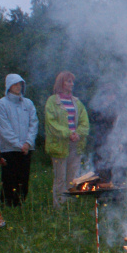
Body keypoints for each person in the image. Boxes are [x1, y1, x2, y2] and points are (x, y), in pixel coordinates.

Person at [45, 72, 89, 209]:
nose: (72, 84)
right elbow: (51, 123)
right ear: (61, 83)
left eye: (72, 81)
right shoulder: (52, 101)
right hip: (59, 145)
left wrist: (78, 134)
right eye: (68, 81)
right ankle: (59, 206)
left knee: (73, 177)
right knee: (60, 177)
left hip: (75, 144)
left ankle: (71, 204)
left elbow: (84, 122)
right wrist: (67, 133)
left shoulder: (77, 102)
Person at [0, 73, 37, 207]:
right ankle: (7, 205)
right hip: (9, 149)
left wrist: (28, 143)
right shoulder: (2, 104)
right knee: (9, 178)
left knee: (23, 178)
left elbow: (34, 123)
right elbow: (4, 128)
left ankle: (20, 204)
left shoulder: (28, 103)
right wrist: (18, 144)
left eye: (20, 84)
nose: (18, 87)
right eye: (15, 84)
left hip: (26, 148)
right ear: (9, 86)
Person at [88, 82, 123, 184]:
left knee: (116, 171)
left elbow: (121, 127)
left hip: (115, 145)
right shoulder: (99, 107)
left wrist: (120, 142)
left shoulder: (118, 108)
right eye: (108, 93)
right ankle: (101, 197)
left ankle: (115, 197)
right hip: (100, 144)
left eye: (112, 93)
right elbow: (93, 119)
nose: (110, 96)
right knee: (101, 171)